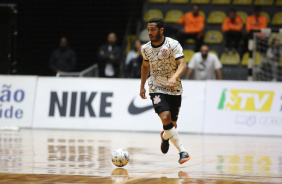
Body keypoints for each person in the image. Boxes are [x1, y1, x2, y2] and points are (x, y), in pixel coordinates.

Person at [140, 18, 190, 164]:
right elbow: (145, 66)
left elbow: (183, 64)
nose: (150, 32)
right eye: (148, 29)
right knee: (166, 117)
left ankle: (165, 136)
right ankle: (183, 151)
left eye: (153, 29)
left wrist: (174, 77)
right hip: (156, 88)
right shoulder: (145, 49)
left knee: (172, 125)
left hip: (174, 89)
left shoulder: (173, 44)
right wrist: (142, 86)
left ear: (161, 30)